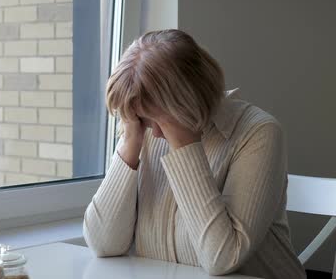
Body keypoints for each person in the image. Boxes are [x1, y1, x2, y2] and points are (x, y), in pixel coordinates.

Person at [83, 29, 306, 278]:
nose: (154, 133)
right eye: (143, 120)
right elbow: (103, 245)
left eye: (159, 121)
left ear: (189, 100)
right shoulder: (144, 132)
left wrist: (185, 145)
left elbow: (222, 258)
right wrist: (130, 140)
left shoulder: (258, 133)